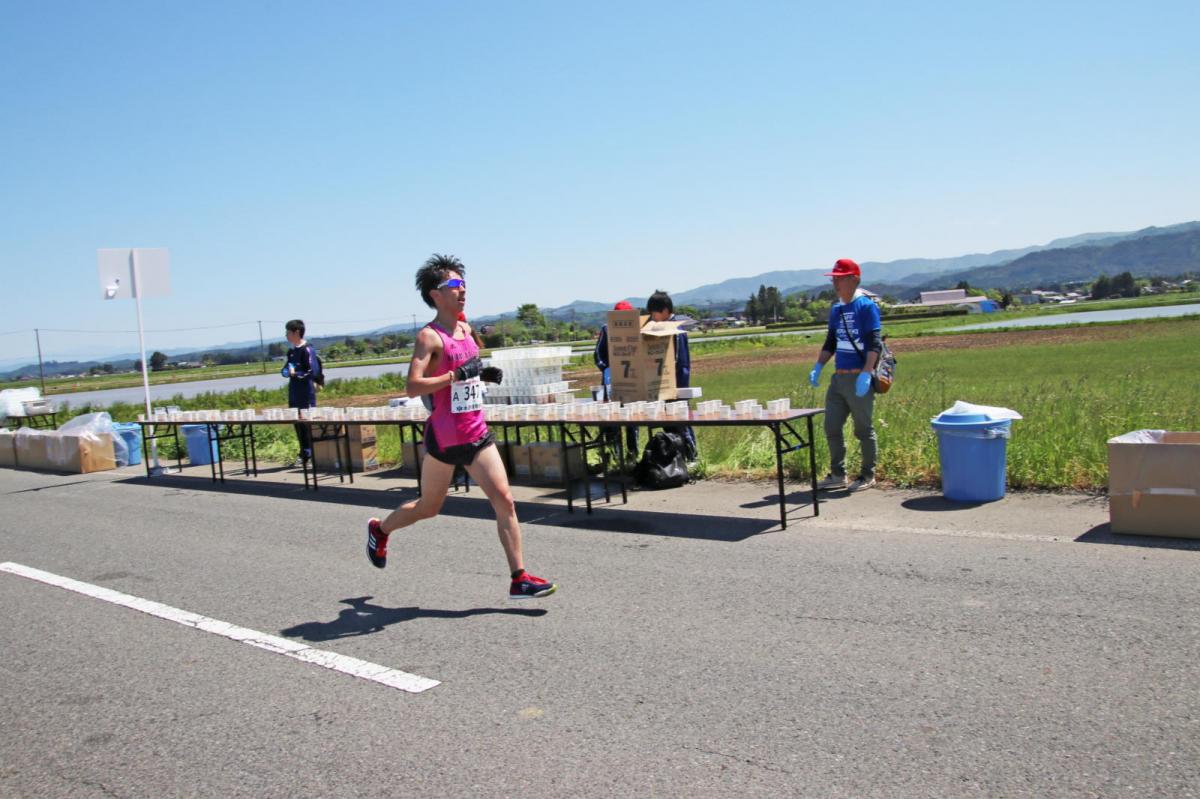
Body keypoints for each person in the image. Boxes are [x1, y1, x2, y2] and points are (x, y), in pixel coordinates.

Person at [365, 254, 557, 600]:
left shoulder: (467, 331)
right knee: (428, 508)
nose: (462, 290)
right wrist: (455, 375)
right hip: (445, 438)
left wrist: (482, 374)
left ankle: (519, 579)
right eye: (454, 284)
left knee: (505, 500)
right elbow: (413, 386)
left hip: (476, 433)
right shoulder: (429, 337)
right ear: (435, 295)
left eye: (463, 283)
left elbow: (468, 371)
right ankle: (381, 530)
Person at [807, 259, 882, 492]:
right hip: (838, 378)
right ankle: (838, 474)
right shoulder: (836, 309)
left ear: (854, 279)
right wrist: (819, 366)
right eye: (834, 279)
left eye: (840, 278)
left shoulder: (866, 307)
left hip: (859, 376)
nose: (835, 283)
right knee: (831, 427)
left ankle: (868, 475)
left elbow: (874, 343)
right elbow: (831, 342)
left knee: (863, 429)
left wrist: (866, 373)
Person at [646, 290, 696, 461]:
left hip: (677, 382)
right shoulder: (666, 326)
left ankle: (692, 457)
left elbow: (678, 360)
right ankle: (678, 458)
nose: (653, 318)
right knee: (670, 424)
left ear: (665, 311)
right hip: (666, 384)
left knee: (681, 423)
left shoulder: (674, 328)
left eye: (654, 314)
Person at [282, 319, 320, 462]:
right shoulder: (291, 351)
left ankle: (311, 453)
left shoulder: (307, 349)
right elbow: (286, 368)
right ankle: (303, 453)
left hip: (306, 393)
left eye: (288, 332)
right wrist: (286, 372)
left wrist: (296, 374)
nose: (286, 335)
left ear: (296, 332)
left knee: (307, 424)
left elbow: (312, 371)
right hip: (294, 392)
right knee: (297, 423)